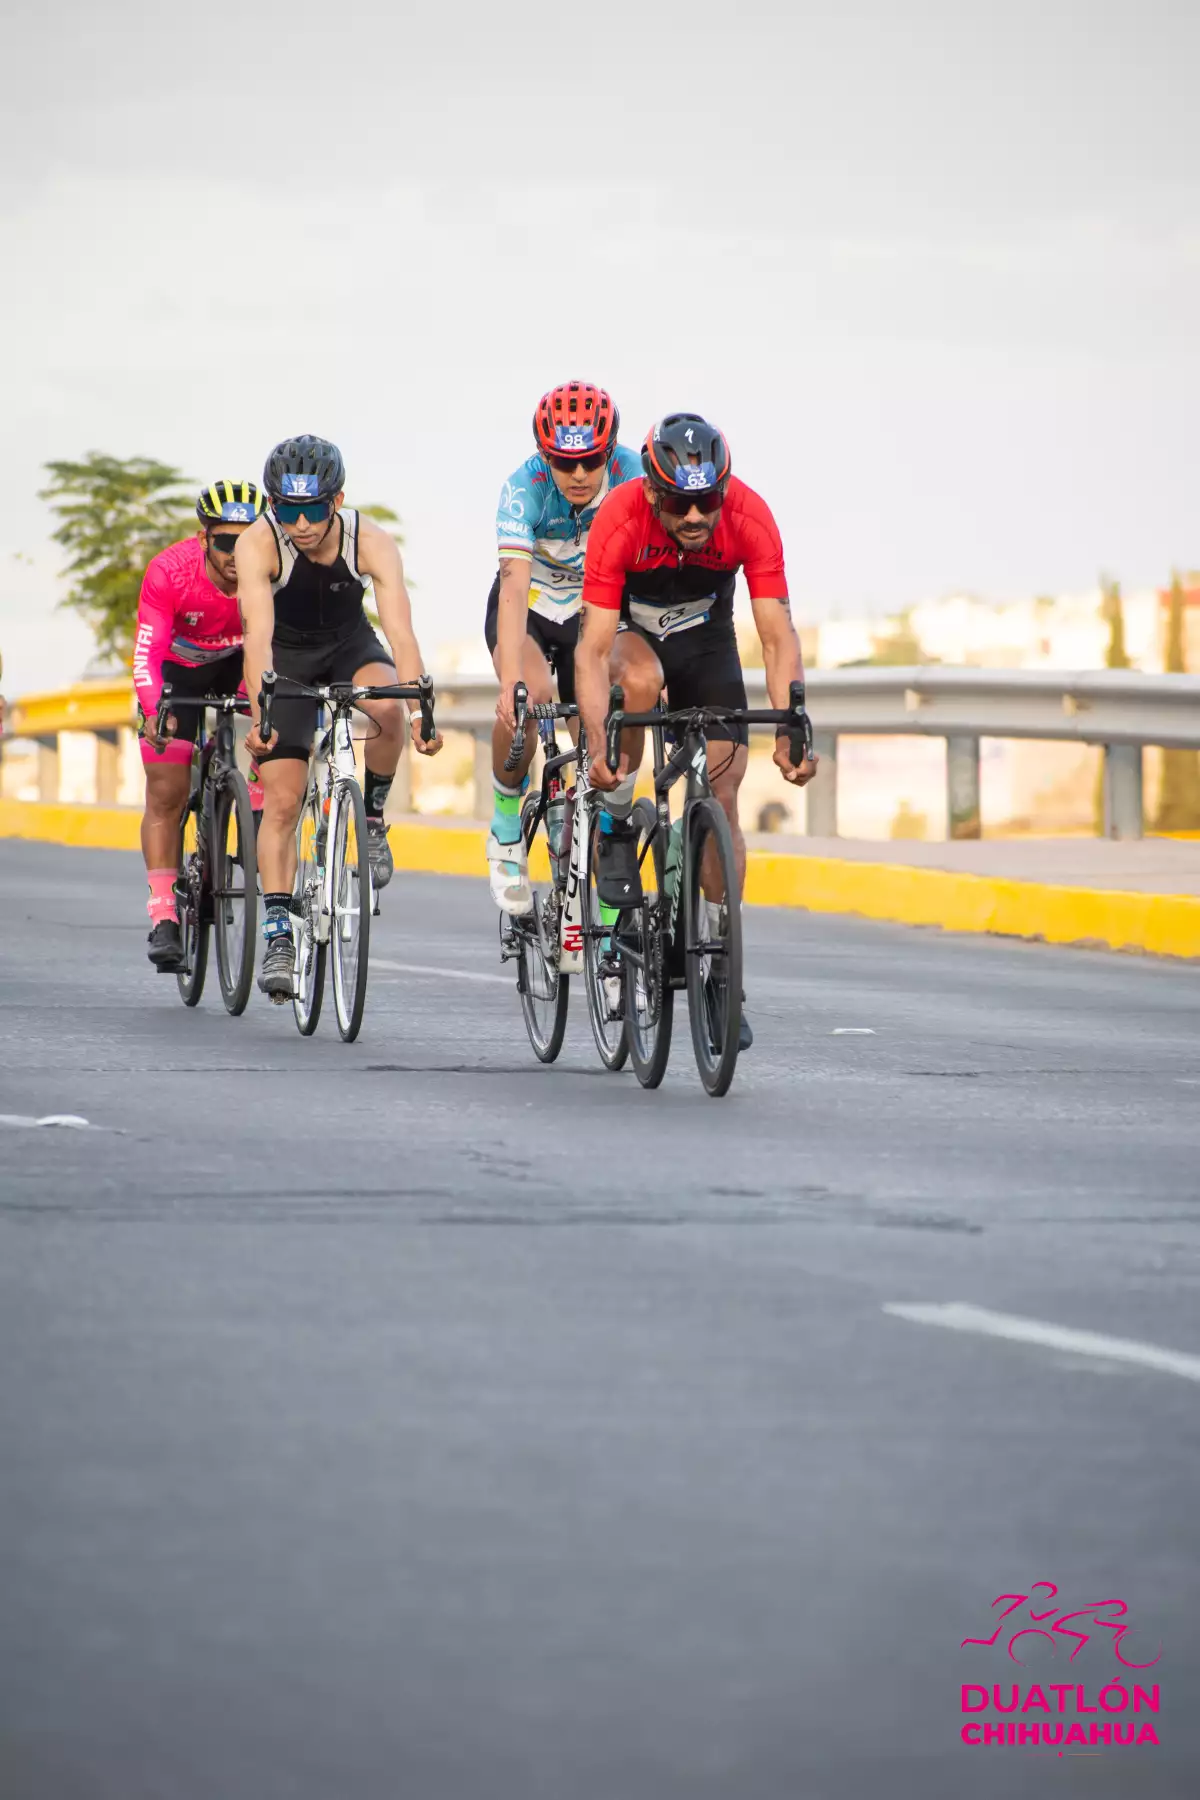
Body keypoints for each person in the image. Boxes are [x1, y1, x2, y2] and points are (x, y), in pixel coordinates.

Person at [574, 412, 818, 1048]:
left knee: (725, 789)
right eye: (680, 503)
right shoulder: (619, 518)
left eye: (707, 501)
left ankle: (716, 966)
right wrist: (599, 745)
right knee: (642, 682)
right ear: (653, 490)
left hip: (705, 644)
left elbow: (774, 634)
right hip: (632, 639)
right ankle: (619, 821)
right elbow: (593, 651)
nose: (694, 516)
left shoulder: (749, 515)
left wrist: (792, 722)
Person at [236, 434, 441, 1000]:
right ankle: (279, 932)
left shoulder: (371, 540)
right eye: (287, 510)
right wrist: (263, 715)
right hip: (289, 659)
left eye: (313, 510)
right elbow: (256, 639)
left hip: (351, 647)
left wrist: (423, 705)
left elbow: (400, 631)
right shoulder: (258, 544)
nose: (300, 524)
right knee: (280, 799)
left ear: (339, 499)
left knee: (387, 705)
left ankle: (370, 818)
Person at [485, 381, 641, 912]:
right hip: (528, 606)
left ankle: (610, 921)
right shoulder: (522, 488)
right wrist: (510, 683)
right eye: (563, 462)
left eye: (591, 461)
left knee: (600, 744)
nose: (578, 475)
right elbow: (511, 588)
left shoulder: (632, 475)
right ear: (544, 454)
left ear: (610, 451)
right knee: (528, 697)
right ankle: (506, 822)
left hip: (592, 612)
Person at [135, 479, 266, 971]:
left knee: (274, 729)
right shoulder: (169, 572)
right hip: (177, 673)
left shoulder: (271, 571)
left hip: (239, 666)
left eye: (247, 540)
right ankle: (164, 914)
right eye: (225, 542)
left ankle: (251, 801)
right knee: (166, 789)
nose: (237, 553)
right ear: (203, 537)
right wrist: (153, 712)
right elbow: (147, 654)